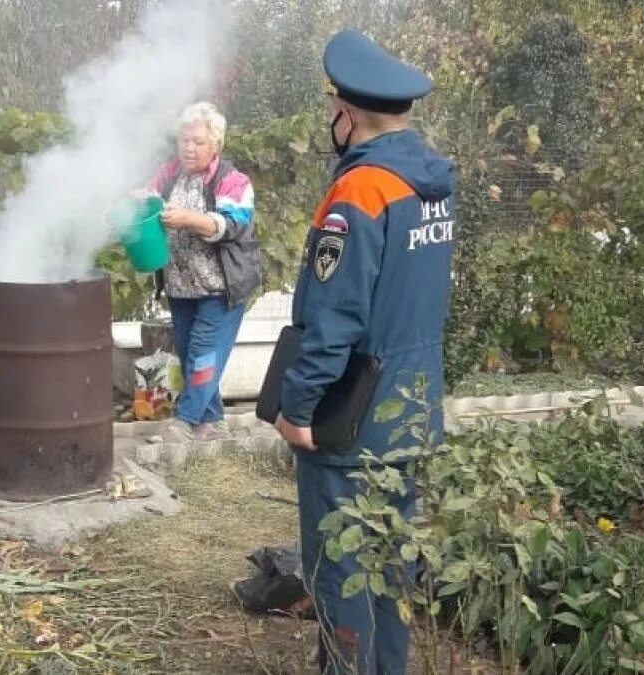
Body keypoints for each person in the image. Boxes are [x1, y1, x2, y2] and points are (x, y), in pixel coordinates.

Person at [273, 29, 457, 675]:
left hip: (350, 421)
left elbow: (337, 317)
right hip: (410, 413)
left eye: (332, 111)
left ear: (347, 115)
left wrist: (298, 407)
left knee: (342, 578)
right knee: (391, 577)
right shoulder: (431, 185)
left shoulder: (360, 192)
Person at [137, 102, 262, 442]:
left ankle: (186, 421)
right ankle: (214, 422)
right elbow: (148, 197)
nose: (189, 148)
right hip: (181, 287)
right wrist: (139, 200)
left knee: (204, 353)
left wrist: (191, 220)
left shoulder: (232, 181)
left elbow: (234, 224)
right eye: (184, 140)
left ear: (216, 145)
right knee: (191, 353)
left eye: (198, 142)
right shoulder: (170, 173)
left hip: (220, 288)